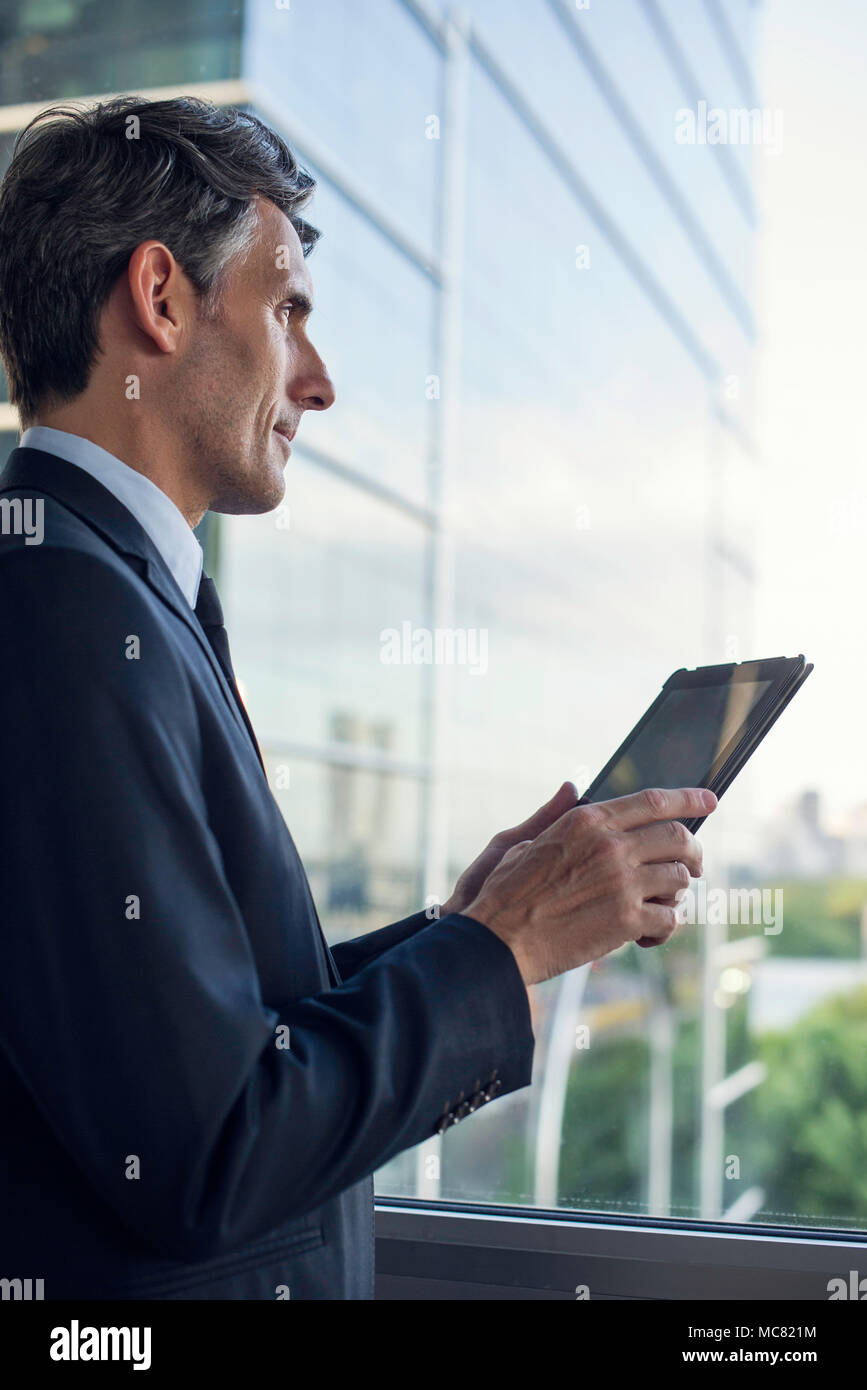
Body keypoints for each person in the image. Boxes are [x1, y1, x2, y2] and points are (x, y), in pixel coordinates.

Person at [0, 95, 716, 1300]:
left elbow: (214, 1031)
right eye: (288, 313)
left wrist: (469, 928)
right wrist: (506, 948)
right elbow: (207, 1153)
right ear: (161, 298)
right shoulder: (64, 615)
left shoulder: (108, 595)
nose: (319, 382)